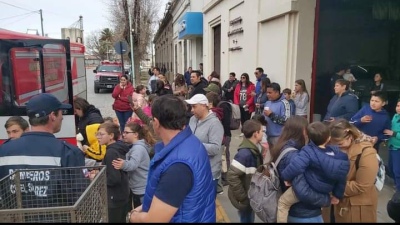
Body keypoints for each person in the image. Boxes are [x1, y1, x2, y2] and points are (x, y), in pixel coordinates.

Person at [128, 95, 216, 222]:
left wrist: (132, 217)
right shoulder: (192, 142)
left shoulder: (177, 167)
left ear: (156, 123)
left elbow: (155, 220)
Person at [0, 93, 85, 206]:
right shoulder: (67, 152)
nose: (62, 117)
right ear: (52, 116)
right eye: (60, 112)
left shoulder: (4, 150)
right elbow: (80, 197)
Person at [278, 122, 349, 223]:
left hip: (309, 186)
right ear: (329, 138)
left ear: (308, 136)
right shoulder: (340, 156)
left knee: (283, 203)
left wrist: (286, 177)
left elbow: (296, 166)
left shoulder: (308, 151)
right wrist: (337, 195)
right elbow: (342, 179)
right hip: (324, 190)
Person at [271, 116, 331, 223]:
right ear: (303, 131)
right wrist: (326, 199)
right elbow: (303, 191)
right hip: (304, 214)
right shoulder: (294, 155)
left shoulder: (282, 148)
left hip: (297, 212)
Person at [322, 119, 379, 223]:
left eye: (339, 144)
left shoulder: (367, 153)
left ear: (350, 137)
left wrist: (332, 187)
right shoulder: (331, 148)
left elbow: (362, 185)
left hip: (355, 208)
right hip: (332, 206)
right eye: (331, 143)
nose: (335, 147)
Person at [186, 94, 224, 195]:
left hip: (208, 172)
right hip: (194, 170)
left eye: (194, 106)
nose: (191, 110)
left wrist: (195, 145)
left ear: (203, 106)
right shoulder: (192, 120)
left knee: (207, 205)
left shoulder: (215, 124)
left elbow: (215, 148)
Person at [112, 122, 155, 211]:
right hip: (138, 188)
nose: (123, 135)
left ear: (135, 134)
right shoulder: (135, 147)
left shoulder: (138, 149)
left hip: (141, 189)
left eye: (127, 133)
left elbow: (133, 165)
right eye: (123, 132)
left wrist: (123, 164)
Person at [227, 119, 264, 223]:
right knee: (246, 219)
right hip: (246, 198)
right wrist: (243, 197)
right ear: (255, 134)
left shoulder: (254, 149)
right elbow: (232, 176)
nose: (263, 133)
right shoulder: (245, 154)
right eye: (261, 131)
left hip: (249, 196)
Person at [97, 122, 130, 223]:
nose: (98, 137)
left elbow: (114, 178)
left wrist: (98, 178)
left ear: (111, 136)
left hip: (114, 198)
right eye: (97, 134)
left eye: (101, 134)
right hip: (122, 194)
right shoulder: (118, 148)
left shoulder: (111, 152)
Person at [73, 97, 106, 162]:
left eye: (75, 111)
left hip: (94, 153)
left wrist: (86, 148)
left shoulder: (94, 119)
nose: (75, 113)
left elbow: (95, 139)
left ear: (80, 108)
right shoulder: (84, 116)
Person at [263, 82, 292, 148]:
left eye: (270, 93)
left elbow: (286, 121)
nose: (267, 95)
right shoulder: (267, 102)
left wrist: (271, 115)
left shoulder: (285, 103)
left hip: (278, 137)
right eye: (267, 92)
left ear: (277, 92)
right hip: (266, 135)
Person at [384, 99, 400, 192]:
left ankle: (398, 191)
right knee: (391, 168)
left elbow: (392, 132)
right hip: (392, 146)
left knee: (397, 171)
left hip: (398, 148)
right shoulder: (395, 116)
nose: (399, 108)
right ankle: (397, 183)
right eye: (398, 106)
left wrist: (393, 134)